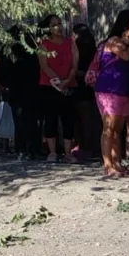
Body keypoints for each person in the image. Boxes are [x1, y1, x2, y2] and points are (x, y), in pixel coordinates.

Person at [87, 10, 129, 176]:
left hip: (124, 90)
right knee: (109, 128)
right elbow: (125, 55)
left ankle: (117, 162)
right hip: (108, 89)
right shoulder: (114, 41)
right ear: (124, 27)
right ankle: (107, 164)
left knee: (118, 129)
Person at [37, 14, 79, 163]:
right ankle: (53, 152)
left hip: (69, 85)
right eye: (54, 25)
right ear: (48, 28)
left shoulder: (70, 43)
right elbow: (44, 66)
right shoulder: (44, 44)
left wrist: (68, 80)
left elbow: (75, 64)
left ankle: (68, 153)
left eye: (60, 23)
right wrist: (59, 82)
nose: (58, 27)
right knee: (51, 119)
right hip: (49, 86)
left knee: (68, 119)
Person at [8, 26, 42, 160]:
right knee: (27, 122)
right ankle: (28, 149)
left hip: (26, 91)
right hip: (23, 92)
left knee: (25, 122)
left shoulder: (27, 52)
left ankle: (26, 149)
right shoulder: (14, 53)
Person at [72, 23, 101, 160]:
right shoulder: (93, 47)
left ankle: (83, 146)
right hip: (89, 86)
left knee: (81, 118)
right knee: (88, 118)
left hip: (78, 85)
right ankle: (90, 147)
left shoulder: (76, 47)